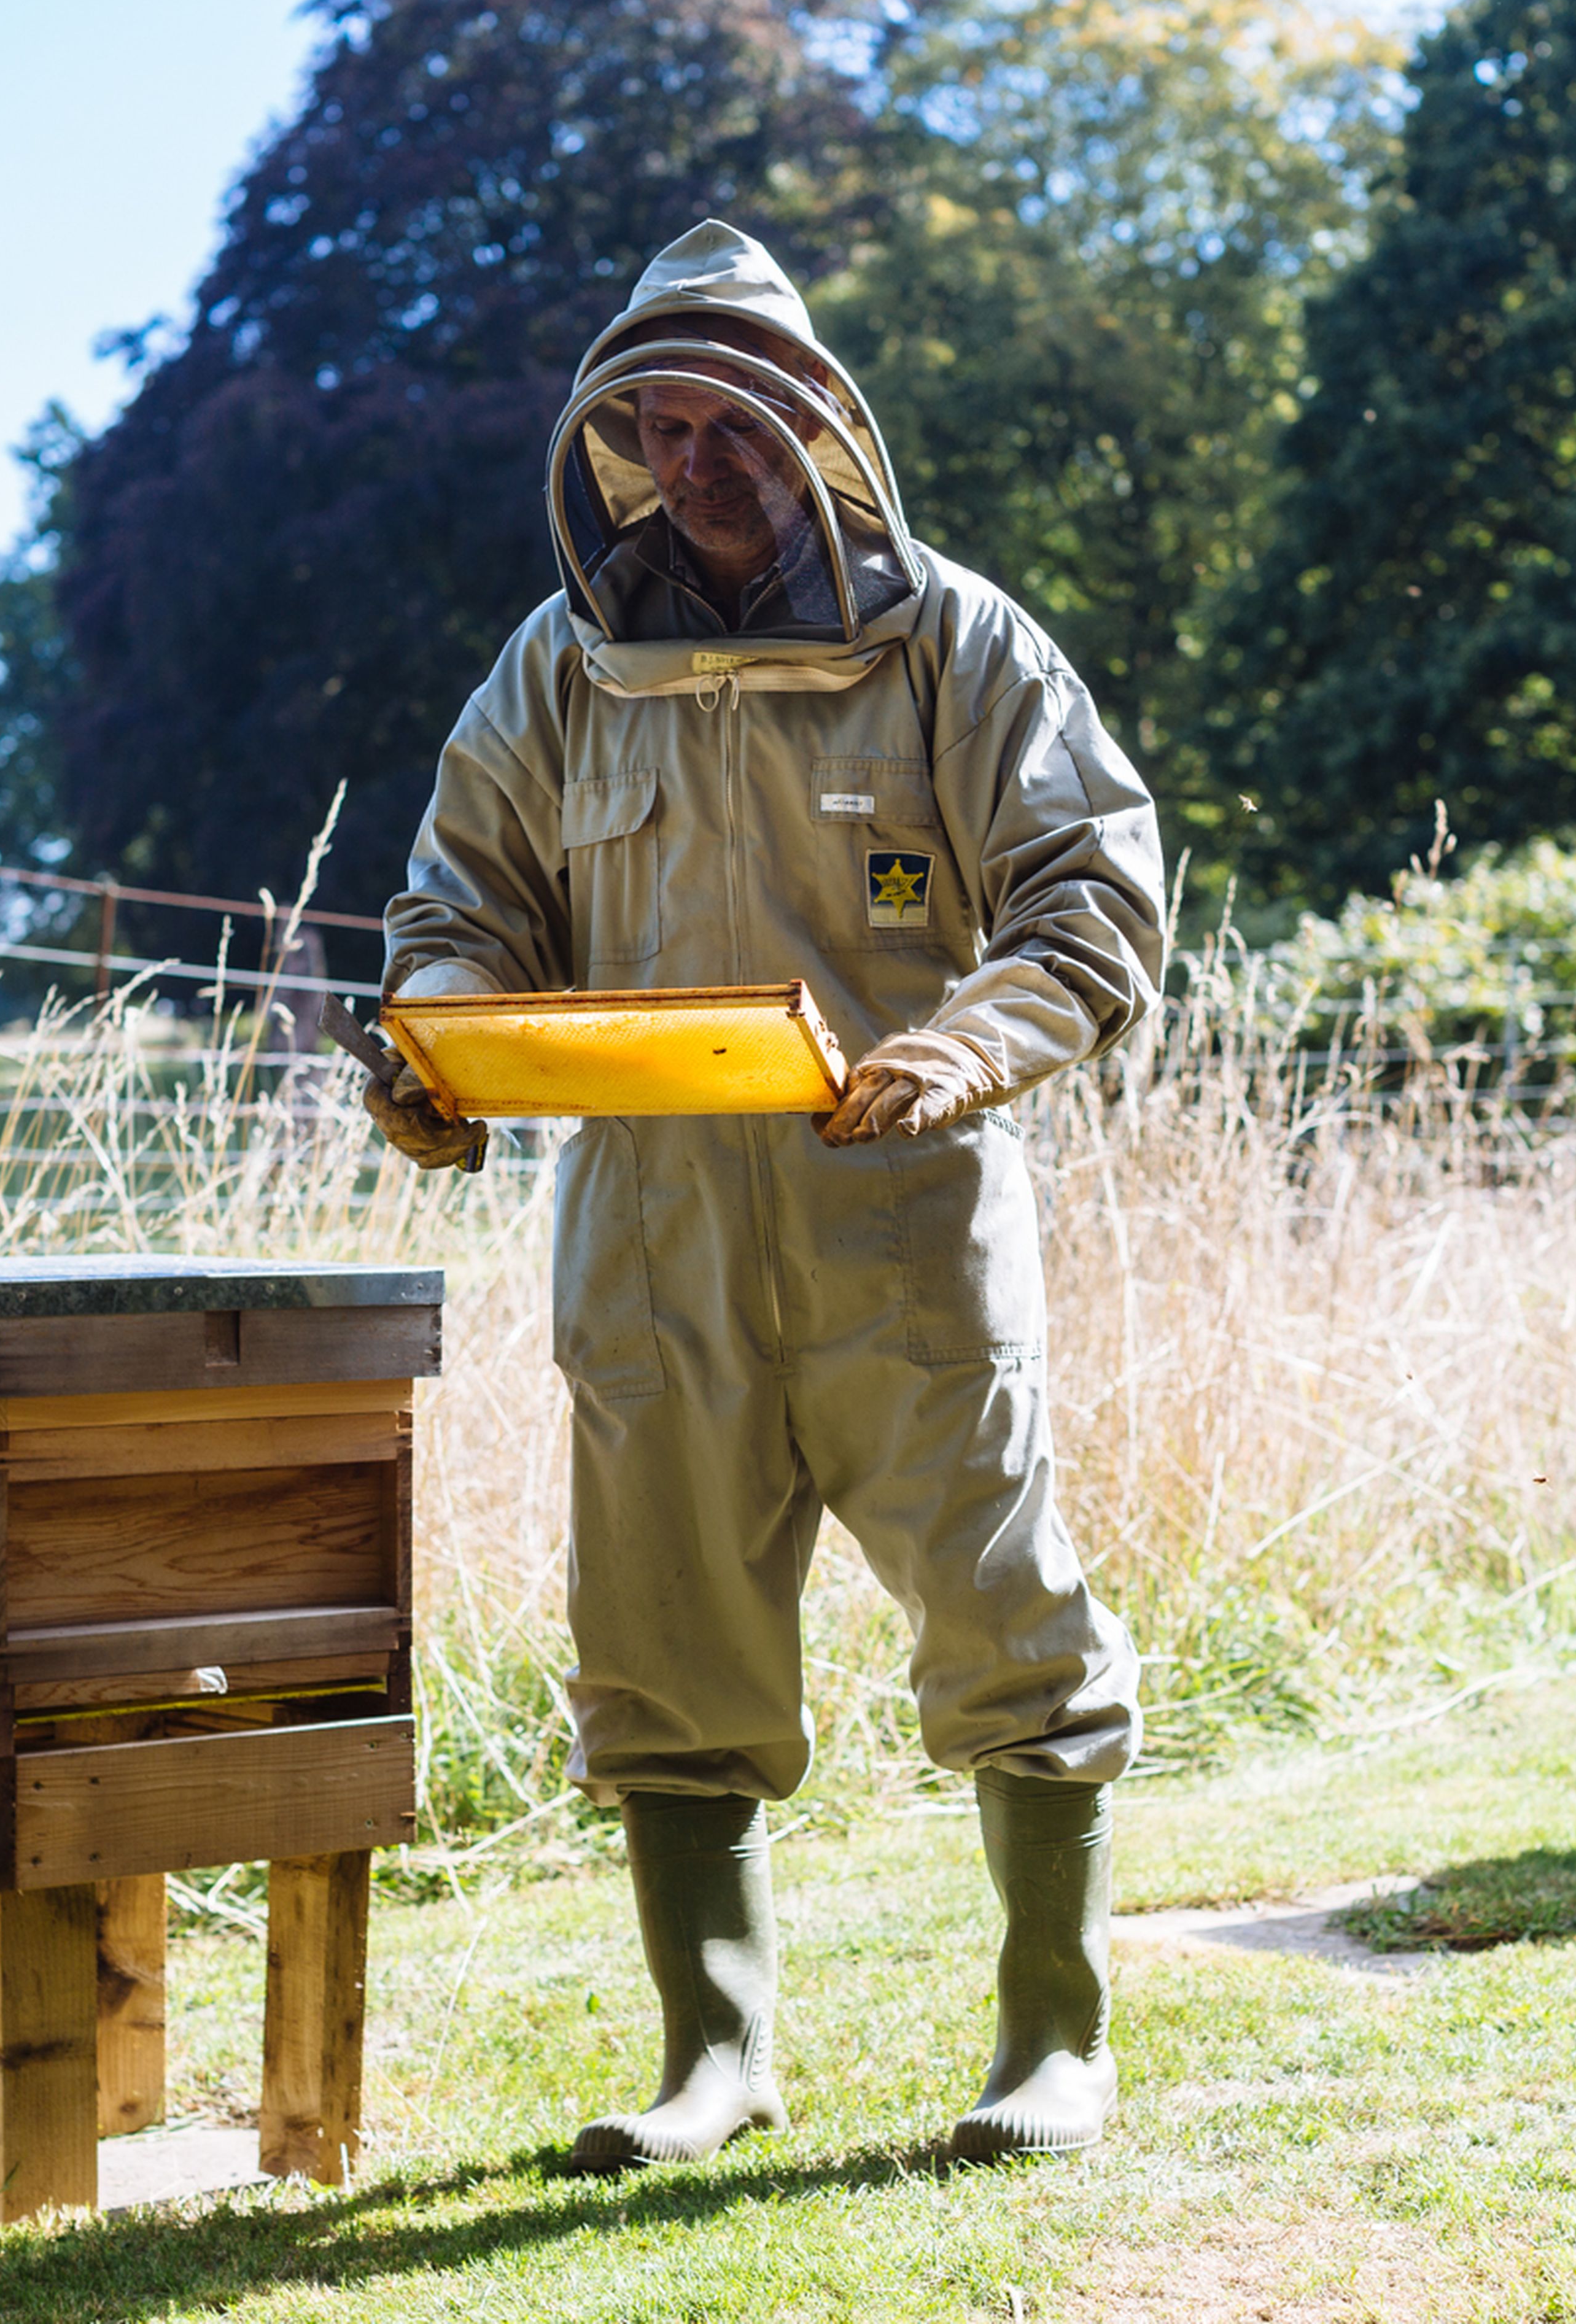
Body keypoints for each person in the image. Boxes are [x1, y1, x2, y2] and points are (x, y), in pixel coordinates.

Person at [370, 220, 1166, 2169]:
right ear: (619, 446)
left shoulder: (955, 642)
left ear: (813, 419)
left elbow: (1091, 895)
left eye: (728, 423)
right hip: (651, 1243)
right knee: (663, 1640)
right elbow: (461, 909)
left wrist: (962, 1047)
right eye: (659, 429)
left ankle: (1055, 2045)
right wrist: (440, 1057)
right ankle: (712, 2062)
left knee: (1006, 1616)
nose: (695, 460)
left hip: (906, 1225)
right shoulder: (560, 670)